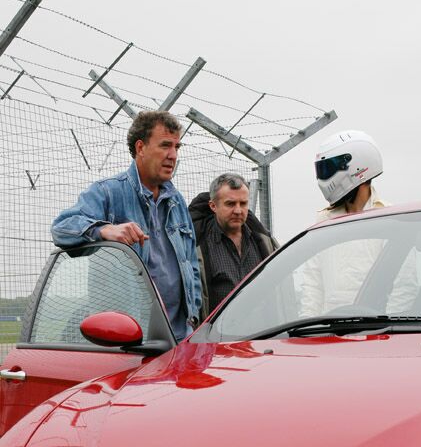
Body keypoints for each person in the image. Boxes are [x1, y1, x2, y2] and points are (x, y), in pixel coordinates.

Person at [51, 110, 201, 341]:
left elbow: (190, 264)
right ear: (140, 148)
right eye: (165, 146)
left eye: (177, 147)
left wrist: (193, 317)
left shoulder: (177, 201)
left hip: (179, 337)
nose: (173, 155)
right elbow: (62, 227)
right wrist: (104, 230)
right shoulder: (108, 192)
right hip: (130, 340)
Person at [301, 129, 417, 316]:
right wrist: (307, 336)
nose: (324, 176)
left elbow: (404, 285)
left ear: (358, 168)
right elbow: (312, 284)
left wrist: (388, 329)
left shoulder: (390, 219)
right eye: (322, 170)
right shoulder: (323, 221)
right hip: (327, 332)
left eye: (329, 168)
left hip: (376, 333)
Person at [189, 173, 278, 319]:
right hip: (217, 337)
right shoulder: (199, 247)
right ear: (213, 206)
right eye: (230, 204)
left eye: (243, 203)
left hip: (261, 335)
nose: (238, 210)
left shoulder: (262, 242)